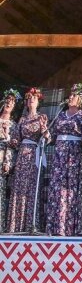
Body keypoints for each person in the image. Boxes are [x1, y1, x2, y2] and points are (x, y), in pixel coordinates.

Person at [45, 84, 82, 236]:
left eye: (74, 95)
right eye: (70, 94)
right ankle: (55, 227)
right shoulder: (60, 114)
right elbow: (51, 137)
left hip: (73, 156)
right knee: (57, 188)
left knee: (69, 188)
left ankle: (68, 227)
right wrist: (44, 130)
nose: (70, 97)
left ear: (80, 99)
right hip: (59, 156)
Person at [6, 87, 50, 233]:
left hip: (34, 155)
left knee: (31, 189)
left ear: (38, 102)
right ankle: (16, 226)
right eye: (29, 98)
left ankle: (30, 225)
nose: (31, 100)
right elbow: (16, 139)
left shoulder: (42, 117)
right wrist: (12, 140)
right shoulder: (22, 119)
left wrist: (44, 129)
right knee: (19, 187)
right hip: (22, 156)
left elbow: (48, 138)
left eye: (34, 98)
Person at [0, 89, 17, 232]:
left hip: (3, 159)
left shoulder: (13, 125)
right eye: (7, 101)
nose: (8, 104)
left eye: (11, 102)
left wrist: (6, 135)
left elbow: (13, 145)